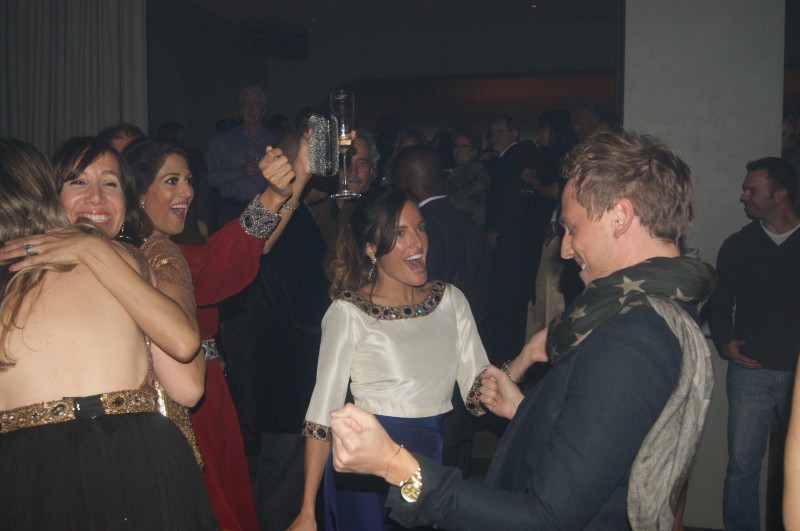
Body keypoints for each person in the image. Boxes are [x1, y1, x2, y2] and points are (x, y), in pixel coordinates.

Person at [330, 129, 716, 530]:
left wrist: (395, 465)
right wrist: (525, 410)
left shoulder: (631, 339)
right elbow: (602, 446)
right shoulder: (647, 313)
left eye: (571, 228)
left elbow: (544, 519)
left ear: (620, 217)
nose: (565, 249)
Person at [0, 137, 217, 529]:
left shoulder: (142, 256)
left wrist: (94, 250)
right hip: (54, 464)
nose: (96, 197)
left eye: (110, 183)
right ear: (50, 195)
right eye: (78, 182)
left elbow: (188, 378)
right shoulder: (30, 263)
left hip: (128, 458)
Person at [126, 137, 307, 530]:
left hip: (207, 395)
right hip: (176, 405)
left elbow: (251, 249)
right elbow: (221, 262)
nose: (187, 191)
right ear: (138, 194)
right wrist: (274, 196)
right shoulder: (147, 257)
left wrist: (298, 179)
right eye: (171, 181)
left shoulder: (173, 249)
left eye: (189, 180)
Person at [288, 186, 489, 531]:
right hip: (365, 478)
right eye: (399, 233)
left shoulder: (451, 301)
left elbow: (479, 395)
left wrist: (527, 359)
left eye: (420, 228)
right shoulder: (349, 312)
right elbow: (321, 415)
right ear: (371, 249)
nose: (417, 242)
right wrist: (307, 509)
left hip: (429, 466)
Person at [708, 157, 800, 530]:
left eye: (752, 190)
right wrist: (724, 343)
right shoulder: (739, 244)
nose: (743, 196)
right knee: (742, 467)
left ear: (780, 195)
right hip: (751, 373)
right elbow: (719, 301)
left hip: (797, 375)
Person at [205, 85, 281, 225]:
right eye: (246, 105)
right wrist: (239, 172)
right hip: (231, 210)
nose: (250, 109)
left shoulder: (276, 141)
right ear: (240, 110)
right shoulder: (222, 141)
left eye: (256, 105)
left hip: (266, 208)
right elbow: (209, 178)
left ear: (263, 111)